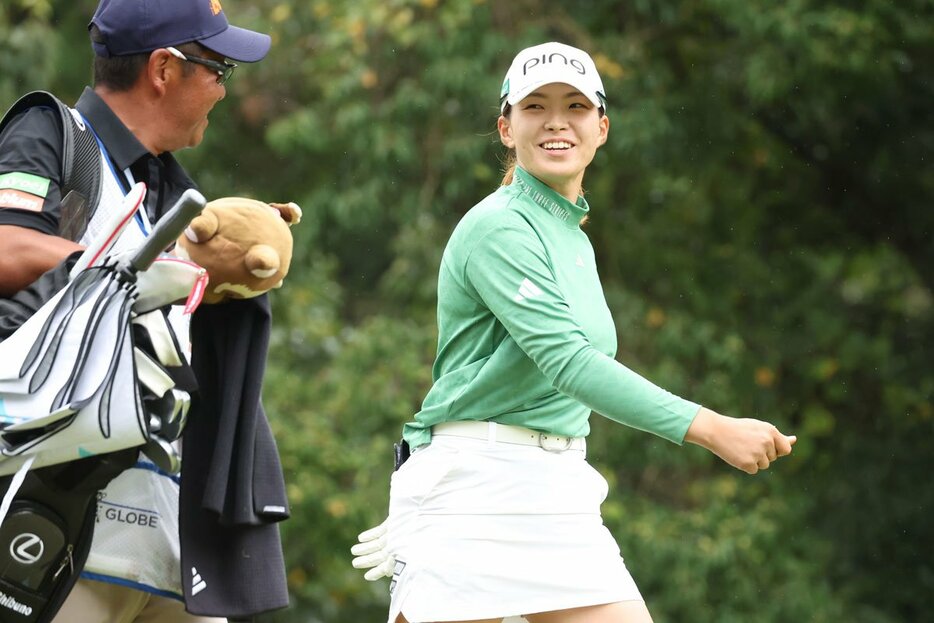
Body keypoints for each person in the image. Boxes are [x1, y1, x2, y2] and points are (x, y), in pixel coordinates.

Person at [361, 42, 797, 623]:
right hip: (473, 491)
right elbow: (567, 361)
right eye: (535, 107)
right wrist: (712, 429)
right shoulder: (500, 227)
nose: (557, 122)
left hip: (556, 486)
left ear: (602, 128)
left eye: (575, 106)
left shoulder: (570, 233)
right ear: (506, 128)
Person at [0, 0, 271, 621]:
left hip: (167, 533)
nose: (223, 92)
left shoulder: (174, 187)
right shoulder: (54, 135)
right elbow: (7, 244)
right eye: (217, 69)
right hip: (53, 518)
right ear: (163, 68)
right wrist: (139, 269)